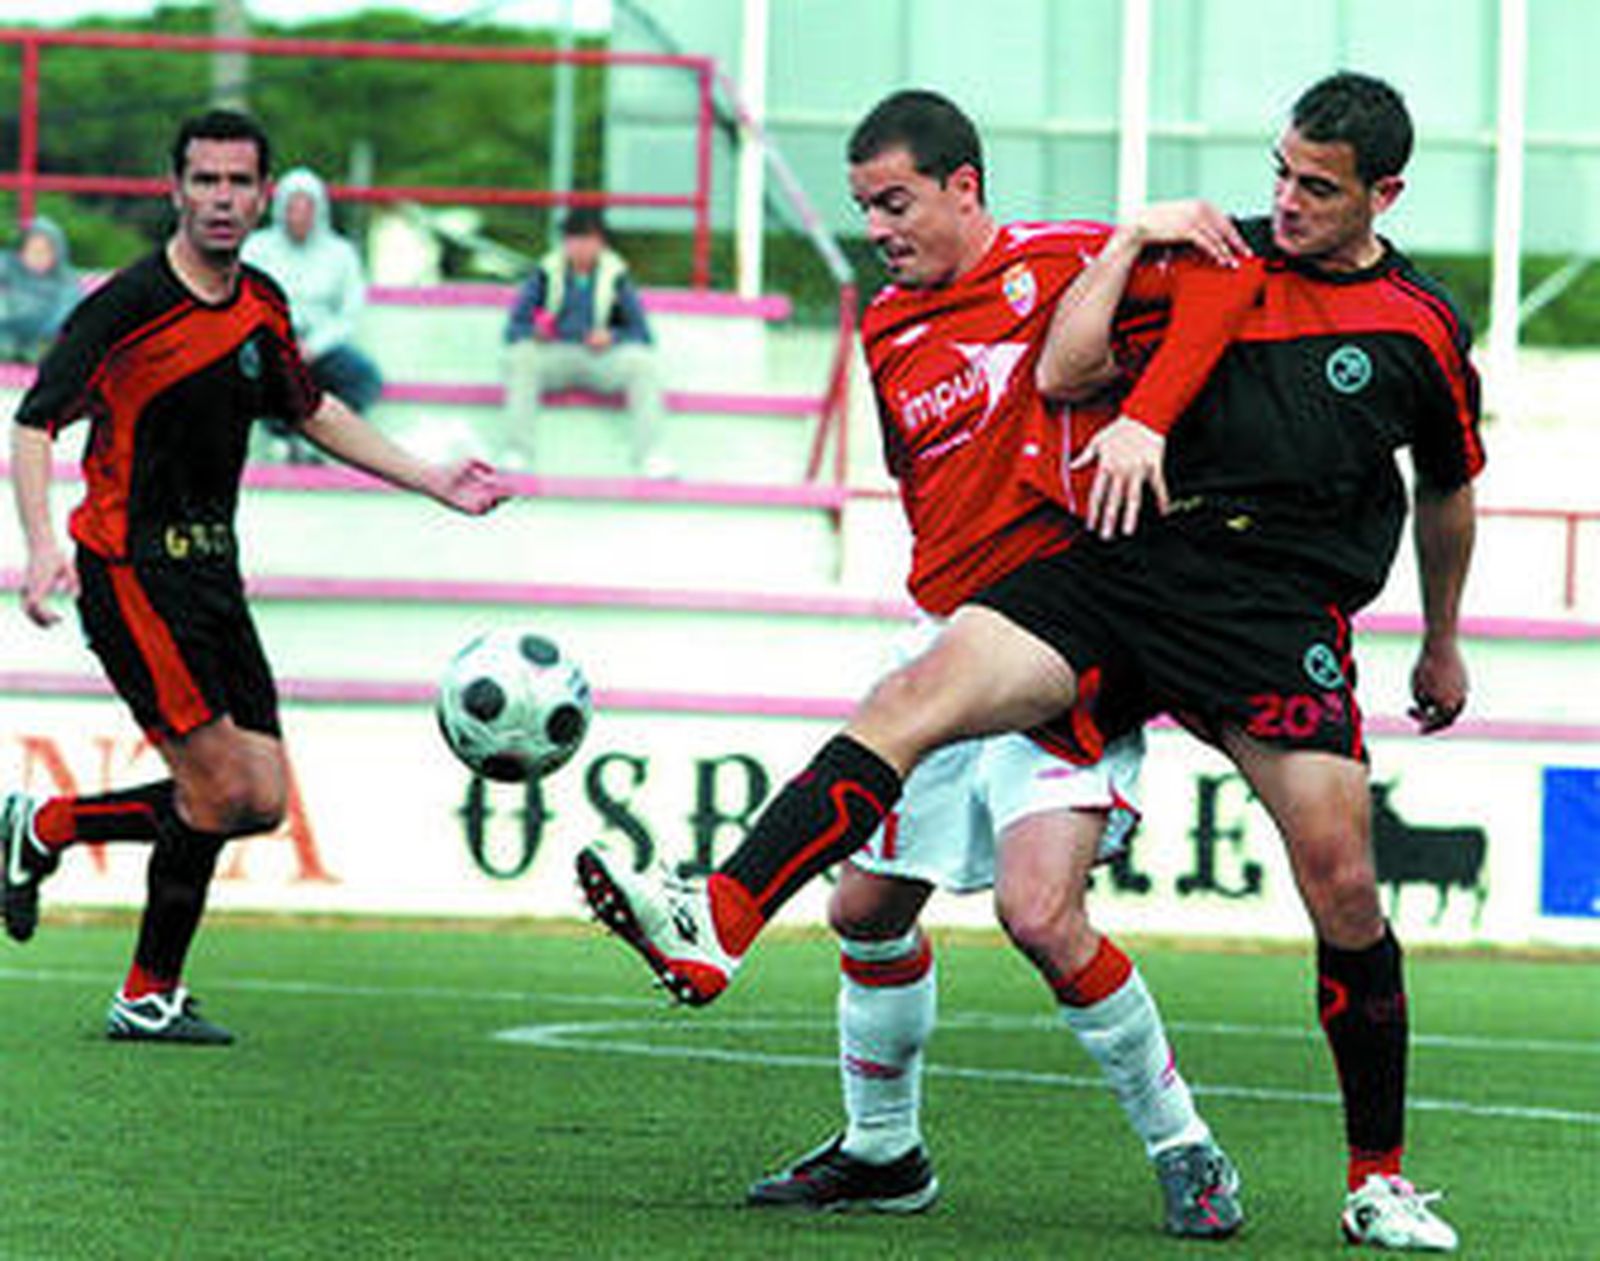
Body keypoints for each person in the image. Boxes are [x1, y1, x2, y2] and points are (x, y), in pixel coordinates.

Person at [577, 71, 1475, 1252]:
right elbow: (1065, 369)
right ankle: (720, 916)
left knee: (1342, 882)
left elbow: (1446, 489)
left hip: (1273, 612)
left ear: (1382, 194)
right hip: (1127, 561)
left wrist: (1441, 636)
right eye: (1280, 174)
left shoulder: (1416, 325)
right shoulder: (1214, 250)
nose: (1287, 202)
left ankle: (1377, 1182)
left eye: (1317, 187)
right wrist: (1136, 269)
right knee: (913, 697)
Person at [735, 90, 1242, 1238]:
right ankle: (883, 1151)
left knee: (1040, 914)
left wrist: (1140, 262)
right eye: (865, 207)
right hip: (950, 639)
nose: (877, 228)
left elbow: (1227, 279)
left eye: (894, 202)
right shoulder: (884, 326)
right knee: (864, 908)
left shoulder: (1069, 260)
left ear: (963, 186)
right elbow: (925, 486)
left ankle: (1185, 1145)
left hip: (1062, 636)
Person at [2, 109, 509, 1045]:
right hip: (131, 573)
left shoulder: (262, 304)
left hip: (214, 576)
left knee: (260, 798)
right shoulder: (126, 306)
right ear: (176, 190)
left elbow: (309, 410)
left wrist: (430, 478)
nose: (222, 199)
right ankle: (146, 993)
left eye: (239, 182)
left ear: (266, 195)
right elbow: (34, 422)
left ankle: (45, 827)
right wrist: (40, 544)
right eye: (205, 180)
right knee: (216, 788)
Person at [502, 207, 673, 478]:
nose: (581, 247)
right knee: (521, 356)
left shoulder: (616, 276)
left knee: (642, 363)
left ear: (601, 243)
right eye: (574, 239)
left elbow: (642, 333)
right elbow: (513, 329)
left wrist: (612, 336)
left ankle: (650, 455)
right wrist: (534, 332)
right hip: (554, 354)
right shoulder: (545, 274)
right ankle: (518, 453)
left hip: (599, 359)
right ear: (564, 242)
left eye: (588, 239)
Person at [242, 166, 384, 462]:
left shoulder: (341, 253)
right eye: (292, 208)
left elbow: (349, 313)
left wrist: (314, 347)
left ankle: (322, 441)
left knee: (363, 377)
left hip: (323, 345)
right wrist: (282, 342)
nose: (299, 216)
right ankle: (284, 439)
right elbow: (245, 305)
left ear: (319, 211)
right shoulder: (256, 248)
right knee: (257, 375)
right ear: (280, 209)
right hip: (271, 343)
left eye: (306, 208)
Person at [0, 216, 81, 362]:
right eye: (31, 251)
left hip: (44, 330)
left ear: (57, 254)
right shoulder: (11, 269)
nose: (37, 257)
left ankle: (35, 349)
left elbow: (69, 307)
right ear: (20, 252)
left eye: (44, 251)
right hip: (10, 323)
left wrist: (52, 329)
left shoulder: (64, 278)